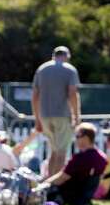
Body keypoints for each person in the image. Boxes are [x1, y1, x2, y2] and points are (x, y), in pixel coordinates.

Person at [31, 46, 81, 177]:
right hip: (62, 115)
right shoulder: (69, 70)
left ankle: (49, 182)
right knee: (61, 152)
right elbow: (72, 94)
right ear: (67, 56)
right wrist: (76, 116)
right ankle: (56, 185)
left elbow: (35, 96)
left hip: (45, 116)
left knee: (53, 151)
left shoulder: (41, 70)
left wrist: (37, 118)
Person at [39, 122, 106, 205]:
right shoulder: (102, 158)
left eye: (78, 136)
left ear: (85, 138)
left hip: (69, 196)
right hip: (85, 197)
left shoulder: (80, 158)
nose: (76, 139)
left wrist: (42, 184)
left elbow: (61, 178)